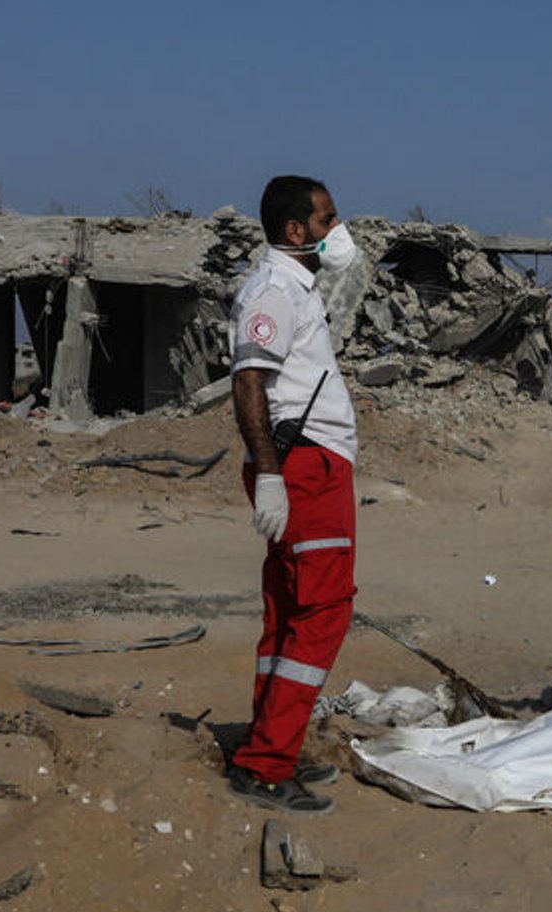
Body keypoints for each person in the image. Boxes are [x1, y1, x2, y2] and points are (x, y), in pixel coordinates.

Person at [222, 174, 364, 813]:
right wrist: (273, 474)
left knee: (288, 611)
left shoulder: (296, 288)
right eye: (328, 219)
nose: (338, 230)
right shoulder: (274, 290)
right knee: (322, 611)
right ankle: (267, 763)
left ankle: (268, 743)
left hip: (305, 466)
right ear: (295, 231)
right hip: (305, 470)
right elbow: (249, 381)